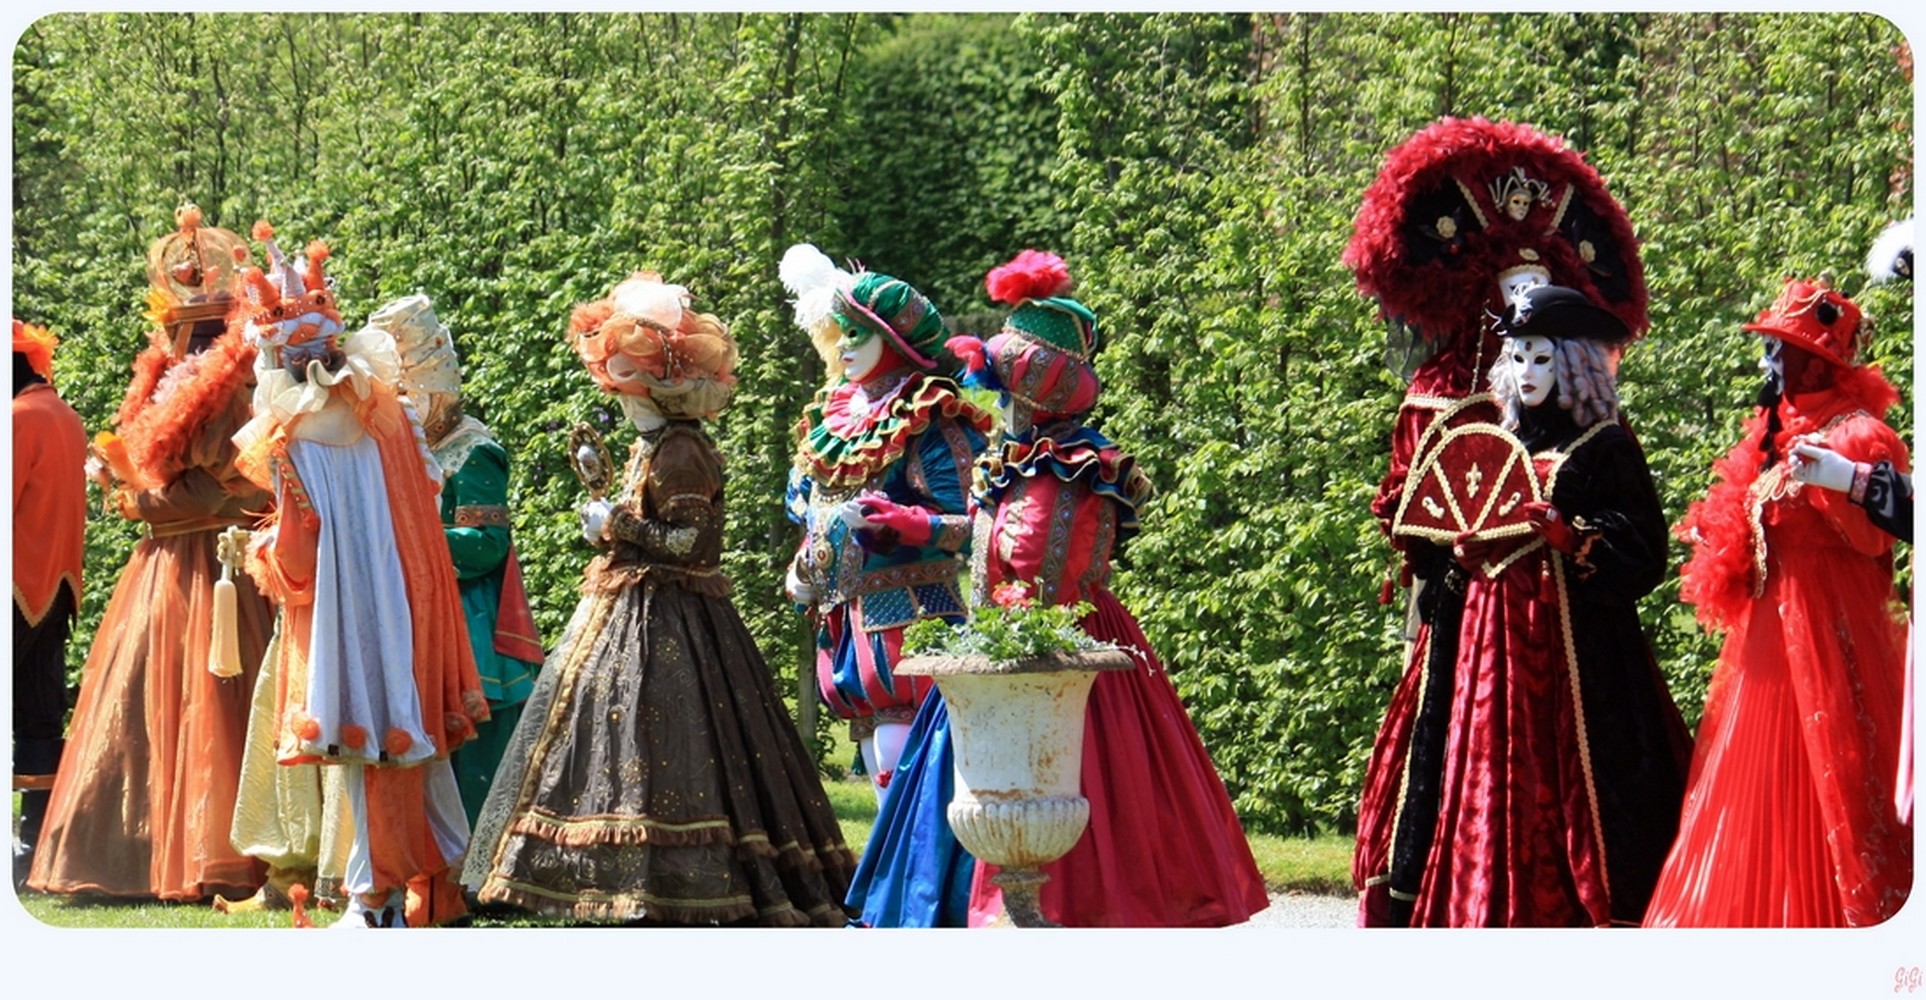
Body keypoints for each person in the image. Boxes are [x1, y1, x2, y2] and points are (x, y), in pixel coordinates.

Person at [462, 271, 855, 925]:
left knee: (673, 742)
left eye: (619, 377)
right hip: (636, 610)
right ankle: (617, 880)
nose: (612, 390)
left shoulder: (679, 451)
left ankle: (672, 885)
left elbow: (690, 542)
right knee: (614, 743)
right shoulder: (653, 446)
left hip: (675, 620)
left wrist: (614, 525)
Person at [940, 249, 1270, 927]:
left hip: (1067, 643)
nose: (1000, 403)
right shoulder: (1012, 465)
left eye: (1005, 387)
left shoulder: (1077, 468)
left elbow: (1046, 568)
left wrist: (1016, 625)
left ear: (1033, 388)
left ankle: (1076, 906)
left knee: (1086, 781)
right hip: (999, 647)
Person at [1352, 283, 1692, 927]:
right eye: (1519, 357)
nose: (1528, 372)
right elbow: (1437, 538)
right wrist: (1457, 555)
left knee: (1566, 783)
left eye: (1544, 358)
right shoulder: (1488, 440)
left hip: (1573, 653)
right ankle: (1474, 903)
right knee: (1477, 772)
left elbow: (1646, 552)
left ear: (1574, 364)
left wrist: (1573, 536)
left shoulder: (1605, 445)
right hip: (1483, 648)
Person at [229, 221, 488, 928]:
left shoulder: (289, 438)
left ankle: (372, 896)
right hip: (407, 603)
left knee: (362, 750)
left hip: (345, 613)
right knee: (404, 746)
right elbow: (423, 509)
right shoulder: (393, 415)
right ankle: (413, 889)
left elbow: (298, 559)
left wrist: (258, 558)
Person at [1643, 275, 1912, 927]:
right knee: (1755, 792)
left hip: (1829, 640)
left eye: (1783, 348)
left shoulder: (1858, 436)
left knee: (1835, 786)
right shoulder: (1778, 434)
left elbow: (1882, 536)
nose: (1771, 361)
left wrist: (1845, 483)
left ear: (1817, 359)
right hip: (1768, 655)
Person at [29, 205, 274, 902]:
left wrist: (135, 498)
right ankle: (137, 849)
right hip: (166, 567)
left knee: (215, 704)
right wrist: (128, 479)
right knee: (146, 704)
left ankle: (217, 854)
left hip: (218, 566)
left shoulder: (236, 389)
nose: (177, 341)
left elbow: (226, 492)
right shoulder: (171, 380)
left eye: (191, 329)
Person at [781, 254, 994, 803]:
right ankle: (893, 877)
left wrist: (904, 525)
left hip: (910, 615)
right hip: (843, 623)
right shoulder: (833, 413)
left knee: (903, 753)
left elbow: (972, 525)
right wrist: (802, 564)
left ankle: (925, 879)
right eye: (841, 333)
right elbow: (815, 510)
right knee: (877, 750)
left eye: (858, 333)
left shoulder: (927, 414)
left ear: (894, 340)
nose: (844, 345)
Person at [377, 294, 543, 826]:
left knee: (475, 747)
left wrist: (409, 535)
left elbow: (485, 545)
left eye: (406, 395)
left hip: (471, 624)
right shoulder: (402, 451)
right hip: (420, 610)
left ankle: (477, 861)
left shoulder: (473, 449)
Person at [11, 318, 87, 890]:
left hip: (14, 582)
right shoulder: (66, 417)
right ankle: (35, 843)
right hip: (57, 588)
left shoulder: (18, 419)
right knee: (39, 713)